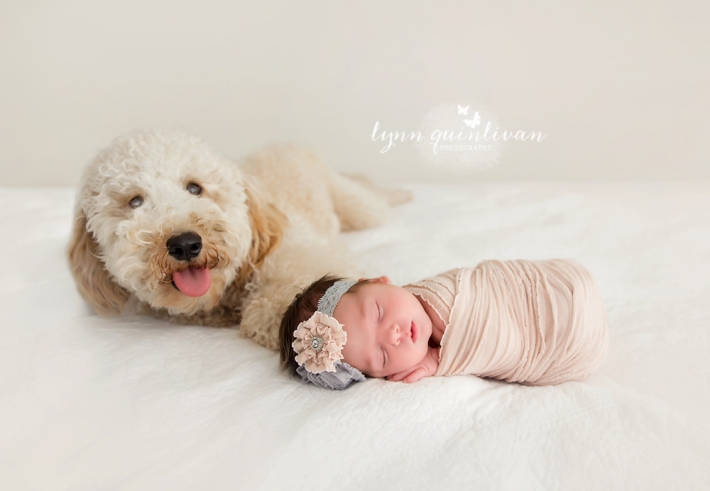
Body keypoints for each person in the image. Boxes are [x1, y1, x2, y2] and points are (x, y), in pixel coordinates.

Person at [279, 259, 608, 390]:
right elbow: (497, 345)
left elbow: (488, 311)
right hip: (572, 346)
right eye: (380, 356)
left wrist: (438, 359)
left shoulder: (441, 295)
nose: (393, 335)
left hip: (560, 287)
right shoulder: (412, 331)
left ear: (379, 280)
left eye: (378, 313)